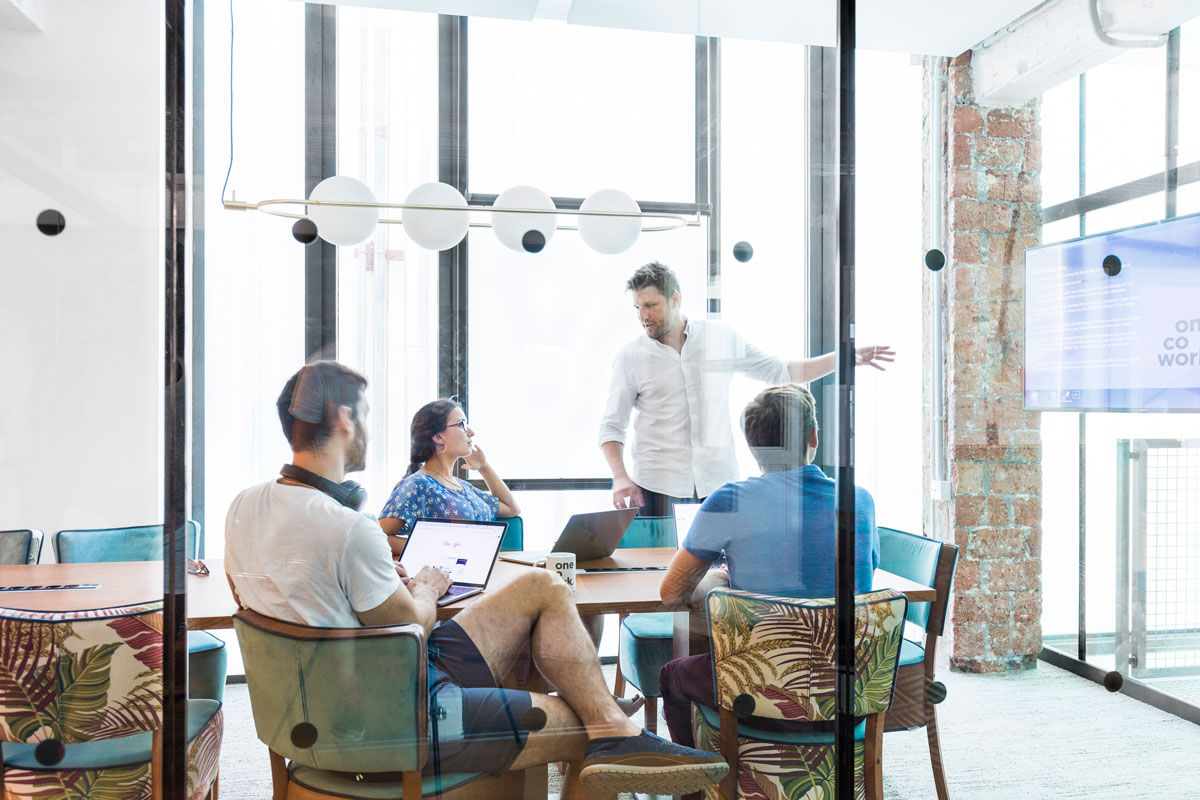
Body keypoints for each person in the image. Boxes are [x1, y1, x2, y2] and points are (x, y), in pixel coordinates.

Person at [224, 361, 727, 797]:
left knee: (542, 586)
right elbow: (413, 624)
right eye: (367, 416)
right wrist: (424, 587)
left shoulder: (242, 508)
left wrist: (380, 577)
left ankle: (611, 724)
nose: (370, 430)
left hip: (316, 703)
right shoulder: (349, 527)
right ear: (343, 418)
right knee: (582, 723)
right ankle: (611, 730)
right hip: (393, 716)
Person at [653, 383, 881, 747]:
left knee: (673, 675)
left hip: (762, 688)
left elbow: (671, 593)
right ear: (814, 436)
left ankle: (698, 782)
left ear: (752, 445)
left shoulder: (729, 501)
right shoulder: (859, 499)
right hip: (844, 688)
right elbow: (864, 576)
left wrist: (720, 579)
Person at [599, 261, 894, 515]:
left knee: (724, 572)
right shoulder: (630, 357)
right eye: (638, 307)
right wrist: (620, 477)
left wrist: (843, 359)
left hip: (718, 486)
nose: (643, 316)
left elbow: (781, 371)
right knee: (659, 574)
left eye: (650, 305)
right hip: (655, 488)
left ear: (675, 299)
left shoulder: (720, 337)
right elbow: (612, 427)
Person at [377, 398, 519, 538]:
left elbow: (512, 509)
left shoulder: (463, 487)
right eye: (462, 424)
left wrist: (484, 467)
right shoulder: (418, 483)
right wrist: (433, 549)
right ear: (438, 437)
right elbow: (380, 538)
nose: (471, 432)